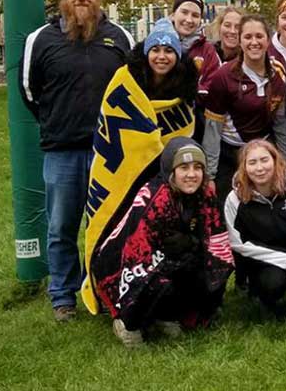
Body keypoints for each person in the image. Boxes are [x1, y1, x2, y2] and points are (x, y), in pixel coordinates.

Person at [20, 0, 134, 321]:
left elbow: (133, 87)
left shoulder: (119, 37)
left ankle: (102, 289)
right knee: (61, 227)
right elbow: (29, 91)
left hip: (109, 152)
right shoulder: (40, 39)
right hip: (62, 151)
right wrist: (57, 121)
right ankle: (63, 296)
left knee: (108, 225)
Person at [81, 22, 200, 314]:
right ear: (146, 52)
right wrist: (143, 146)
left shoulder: (184, 88)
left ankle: (156, 298)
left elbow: (186, 134)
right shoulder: (125, 80)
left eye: (169, 50)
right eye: (155, 49)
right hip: (122, 171)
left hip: (163, 178)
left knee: (154, 236)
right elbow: (113, 123)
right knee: (115, 229)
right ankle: (108, 292)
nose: (161, 56)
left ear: (177, 55)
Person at [92, 138, 234, 348]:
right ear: (171, 170)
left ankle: (167, 314)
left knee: (209, 267)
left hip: (171, 257)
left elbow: (217, 241)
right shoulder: (155, 197)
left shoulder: (205, 193)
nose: (191, 174)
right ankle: (127, 323)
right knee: (155, 281)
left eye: (197, 167)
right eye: (184, 168)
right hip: (120, 265)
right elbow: (134, 256)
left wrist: (195, 245)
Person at [202, 15, 286, 204]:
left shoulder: (278, 71)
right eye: (248, 37)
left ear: (268, 39)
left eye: (259, 36)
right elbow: (212, 130)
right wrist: (210, 175)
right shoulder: (223, 76)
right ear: (240, 41)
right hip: (231, 153)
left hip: (264, 150)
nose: (254, 42)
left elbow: (280, 120)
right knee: (231, 206)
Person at [224, 139, 286, 314]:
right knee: (273, 284)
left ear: (275, 160)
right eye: (252, 162)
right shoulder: (234, 198)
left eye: (264, 160)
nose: (259, 168)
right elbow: (238, 243)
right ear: (244, 167)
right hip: (266, 260)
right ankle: (262, 297)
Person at [159, 0, 221, 90]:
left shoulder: (207, 51)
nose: (189, 20)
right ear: (173, 15)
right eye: (184, 12)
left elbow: (215, 87)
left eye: (195, 15)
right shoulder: (155, 44)